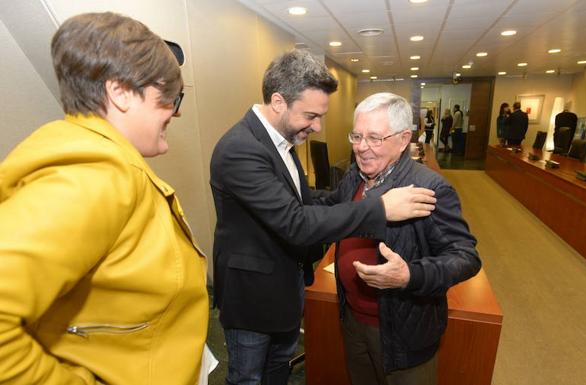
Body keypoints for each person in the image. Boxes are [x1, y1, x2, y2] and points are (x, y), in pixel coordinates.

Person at [0, 12, 210, 385]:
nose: (176, 112)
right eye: (170, 97)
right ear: (121, 93)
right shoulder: (96, 174)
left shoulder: (102, 161)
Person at [210, 50, 437, 385]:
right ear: (278, 102)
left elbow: (301, 200)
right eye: (311, 115)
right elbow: (296, 222)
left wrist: (344, 198)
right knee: (247, 378)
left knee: (277, 370)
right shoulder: (240, 149)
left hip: (284, 288)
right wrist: (380, 208)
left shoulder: (280, 142)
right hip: (252, 298)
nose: (317, 126)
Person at [319, 93, 481, 385]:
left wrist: (410, 275)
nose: (361, 148)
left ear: (404, 138)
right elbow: (333, 208)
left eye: (375, 138)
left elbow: (465, 257)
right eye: (356, 136)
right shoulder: (355, 176)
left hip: (403, 334)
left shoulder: (429, 188)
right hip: (353, 321)